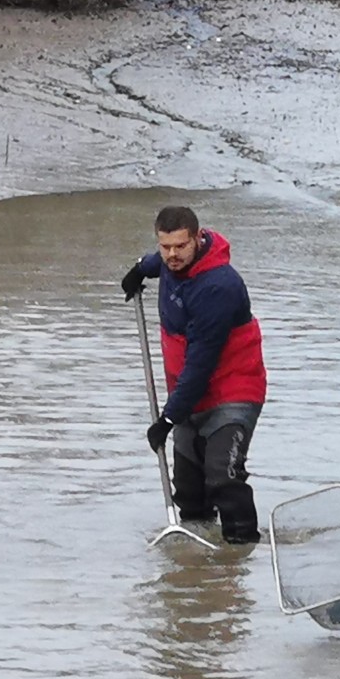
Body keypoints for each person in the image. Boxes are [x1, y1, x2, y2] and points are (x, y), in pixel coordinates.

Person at [121, 204, 268, 544]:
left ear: (197, 239)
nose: (172, 255)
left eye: (179, 247)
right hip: (188, 396)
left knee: (222, 478)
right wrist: (140, 269)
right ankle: (196, 566)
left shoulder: (218, 286)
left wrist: (168, 419)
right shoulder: (171, 259)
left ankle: (240, 553)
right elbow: (157, 262)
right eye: (165, 246)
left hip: (232, 389)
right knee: (188, 491)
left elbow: (201, 363)